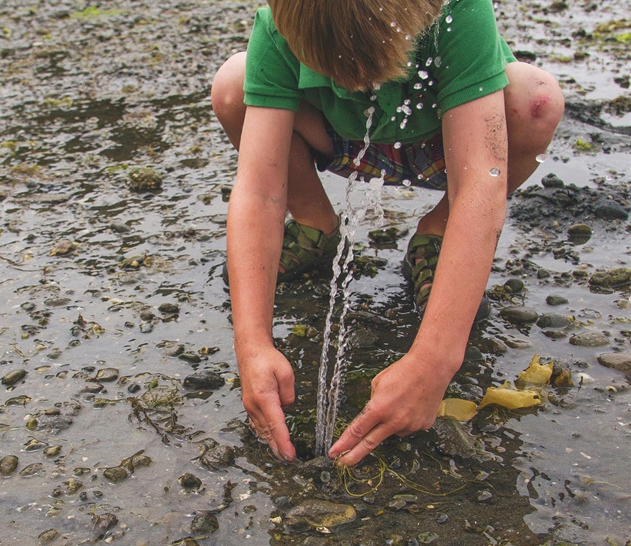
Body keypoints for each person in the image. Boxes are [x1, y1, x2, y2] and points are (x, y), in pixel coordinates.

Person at [211, 0, 563, 466]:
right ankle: (316, 222)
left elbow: (482, 183)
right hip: (342, 139)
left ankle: (436, 231)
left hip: (445, 138)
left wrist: (433, 363)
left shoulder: (455, 10)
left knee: (535, 97)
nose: (355, 83)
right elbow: (258, 192)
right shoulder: (279, 24)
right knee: (234, 85)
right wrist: (252, 342)